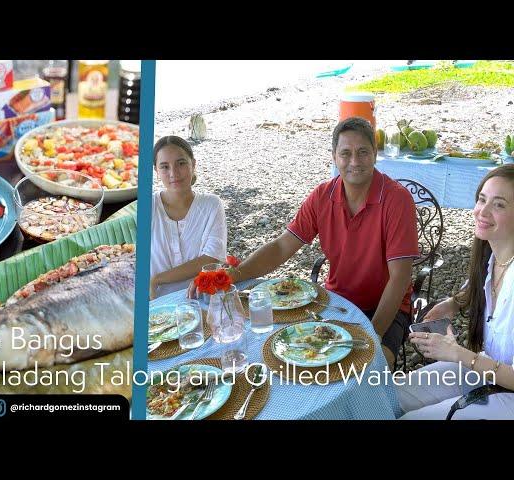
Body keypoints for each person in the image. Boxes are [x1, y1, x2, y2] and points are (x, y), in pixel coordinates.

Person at [190, 117, 420, 366]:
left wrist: (372, 335)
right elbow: (281, 246)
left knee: (374, 366)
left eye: (363, 152)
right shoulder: (322, 196)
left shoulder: (397, 200)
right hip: (337, 300)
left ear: (375, 154)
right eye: (346, 153)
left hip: (385, 307)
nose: (354, 161)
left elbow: (400, 278)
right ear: (334, 156)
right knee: (295, 354)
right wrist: (236, 273)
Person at [398, 164, 514, 419]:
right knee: (392, 396)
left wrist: (457, 353)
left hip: (508, 388)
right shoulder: (493, 255)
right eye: (482, 199)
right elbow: (475, 289)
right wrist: (452, 304)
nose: (482, 212)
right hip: (486, 367)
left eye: (499, 205)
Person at [150, 135, 227, 299]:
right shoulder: (148, 206)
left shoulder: (211, 204)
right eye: (165, 166)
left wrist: (157, 279)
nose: (174, 173)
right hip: (156, 305)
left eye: (181, 163)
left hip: (201, 299)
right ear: (156, 170)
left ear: (193, 164)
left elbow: (211, 258)